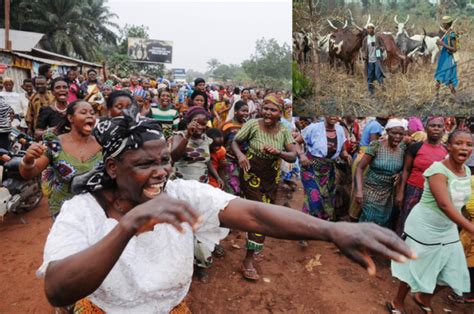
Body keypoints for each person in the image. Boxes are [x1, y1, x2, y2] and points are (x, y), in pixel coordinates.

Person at [37, 113, 415, 312]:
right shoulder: (82, 211)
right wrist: (128, 226)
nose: (160, 172)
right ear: (114, 169)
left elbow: (254, 215)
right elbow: (57, 289)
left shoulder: (181, 192)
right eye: (144, 164)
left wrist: (331, 231)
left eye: (165, 160)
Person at [389, 130, 473, 313]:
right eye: (459, 143)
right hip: (425, 225)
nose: (464, 148)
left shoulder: (466, 170)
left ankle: (423, 297)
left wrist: (466, 219)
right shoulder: (437, 170)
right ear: (448, 147)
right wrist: (470, 228)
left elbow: (459, 203)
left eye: (469, 144)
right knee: (416, 264)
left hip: (447, 226)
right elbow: (445, 205)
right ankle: (397, 302)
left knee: (454, 268)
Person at [232, 94, 297, 281]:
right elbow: (235, 141)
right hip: (251, 173)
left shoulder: (284, 130)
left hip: (271, 178)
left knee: (265, 214)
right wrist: (240, 156)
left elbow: (293, 156)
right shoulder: (253, 125)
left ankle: (253, 246)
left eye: (273, 110)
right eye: (266, 108)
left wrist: (278, 152)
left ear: (280, 113)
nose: (268, 113)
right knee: (260, 216)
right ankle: (248, 260)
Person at [19, 100, 102, 219]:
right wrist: (28, 160)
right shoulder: (55, 144)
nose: (90, 116)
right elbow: (30, 173)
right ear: (70, 118)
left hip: (96, 210)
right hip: (64, 213)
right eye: (83, 112)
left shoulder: (101, 143)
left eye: (92, 113)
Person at [395, 117, 447, 236]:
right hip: (414, 190)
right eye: (432, 125)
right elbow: (406, 170)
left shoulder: (446, 151)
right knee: (407, 219)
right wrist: (401, 192)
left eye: (439, 126)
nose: (436, 129)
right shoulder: (415, 147)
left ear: (443, 130)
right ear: (425, 128)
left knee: (427, 222)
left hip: (434, 193)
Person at [297, 116, 352, 221]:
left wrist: (346, 156)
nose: (333, 116)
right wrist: (301, 155)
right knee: (315, 199)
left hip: (328, 171)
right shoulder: (314, 128)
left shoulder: (340, 130)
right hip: (310, 168)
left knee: (327, 199)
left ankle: (314, 223)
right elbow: (296, 142)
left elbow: (342, 150)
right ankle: (310, 226)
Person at [355, 119, 407, 227]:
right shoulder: (376, 146)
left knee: (383, 220)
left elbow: (404, 168)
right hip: (371, 189)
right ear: (387, 132)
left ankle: (375, 242)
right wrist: (359, 191)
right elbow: (360, 168)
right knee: (370, 217)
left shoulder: (402, 148)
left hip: (388, 191)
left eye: (401, 134)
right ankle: (362, 241)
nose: (397, 136)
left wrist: (400, 174)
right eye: (394, 133)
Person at [349, 116, 388, 221]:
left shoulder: (372, 123)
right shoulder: (376, 126)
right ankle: (354, 216)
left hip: (361, 154)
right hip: (366, 157)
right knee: (361, 188)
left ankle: (353, 215)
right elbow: (373, 144)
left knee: (357, 186)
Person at [221, 100, 249, 195]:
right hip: (230, 160)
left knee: (244, 186)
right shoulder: (227, 125)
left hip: (245, 160)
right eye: (243, 111)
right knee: (232, 186)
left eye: (247, 111)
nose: (245, 113)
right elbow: (220, 143)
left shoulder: (248, 125)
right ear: (235, 111)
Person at [435, 16, 458, 99]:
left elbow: (454, 49)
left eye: (443, 23)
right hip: (443, 58)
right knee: (438, 76)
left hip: (448, 59)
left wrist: (442, 44)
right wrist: (439, 44)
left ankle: (456, 97)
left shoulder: (452, 35)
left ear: (446, 24)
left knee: (448, 79)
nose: (442, 25)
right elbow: (443, 47)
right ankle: (436, 96)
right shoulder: (446, 34)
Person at [361, 23, 385, 95]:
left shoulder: (377, 37)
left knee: (378, 74)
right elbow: (363, 49)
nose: (370, 29)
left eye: (371, 28)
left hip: (377, 59)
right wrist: (363, 55)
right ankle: (370, 91)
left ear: (373, 29)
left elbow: (383, 46)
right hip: (369, 60)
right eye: (368, 28)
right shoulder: (365, 39)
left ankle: (383, 90)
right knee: (369, 75)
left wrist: (381, 48)